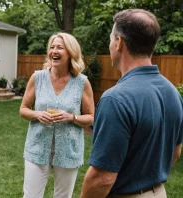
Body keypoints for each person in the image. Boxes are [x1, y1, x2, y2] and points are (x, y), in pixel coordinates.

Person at [81, 9, 183, 198]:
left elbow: (101, 178)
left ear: (119, 42)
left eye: (111, 39)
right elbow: (175, 152)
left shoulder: (115, 99)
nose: (110, 44)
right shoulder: (173, 93)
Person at [19, 32, 95, 198]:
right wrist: (37, 114)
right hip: (37, 146)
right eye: (52, 47)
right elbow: (23, 109)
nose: (54, 51)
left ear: (70, 53)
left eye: (60, 47)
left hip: (69, 149)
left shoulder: (82, 82)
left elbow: (90, 117)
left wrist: (71, 117)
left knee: (62, 196)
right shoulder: (37, 78)